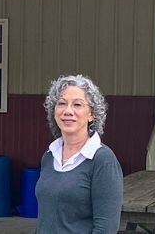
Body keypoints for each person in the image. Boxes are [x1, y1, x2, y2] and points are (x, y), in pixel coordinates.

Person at [40, 74, 122, 234]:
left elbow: (106, 228)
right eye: (62, 103)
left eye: (77, 104)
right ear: (53, 111)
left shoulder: (103, 161)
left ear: (92, 114)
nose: (68, 111)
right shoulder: (49, 156)